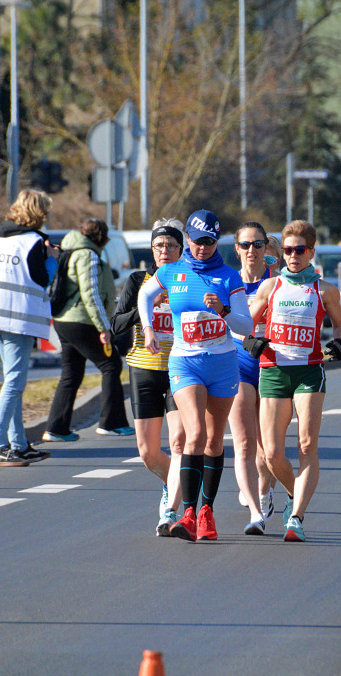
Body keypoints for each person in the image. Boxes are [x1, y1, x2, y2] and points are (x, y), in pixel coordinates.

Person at [138, 209, 253, 542]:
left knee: (215, 440)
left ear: (217, 241)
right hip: (185, 362)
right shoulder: (172, 271)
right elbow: (145, 295)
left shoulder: (230, 277)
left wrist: (223, 310)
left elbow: (246, 327)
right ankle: (187, 513)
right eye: (197, 241)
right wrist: (148, 329)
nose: (202, 247)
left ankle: (207, 511)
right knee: (195, 433)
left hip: (222, 363)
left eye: (209, 242)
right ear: (186, 238)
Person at [247, 220, 341, 542]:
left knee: (306, 444)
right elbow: (244, 325)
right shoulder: (270, 287)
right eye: (288, 250)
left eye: (299, 250)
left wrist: (339, 343)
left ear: (311, 252)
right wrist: (253, 341)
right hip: (273, 370)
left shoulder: (325, 289)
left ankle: (296, 517)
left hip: (308, 371)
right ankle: (295, 492)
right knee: (272, 454)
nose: (292, 256)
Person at [0, 189, 58, 466]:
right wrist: (53, 258)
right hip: (17, 318)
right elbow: (42, 279)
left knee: (13, 382)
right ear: (39, 213)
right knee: (14, 382)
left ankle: (18, 444)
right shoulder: (33, 242)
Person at [112, 219, 188, 536]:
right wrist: (146, 308)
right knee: (148, 452)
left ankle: (170, 509)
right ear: (152, 250)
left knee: (180, 442)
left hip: (182, 368)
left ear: (181, 250)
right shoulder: (138, 281)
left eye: (171, 246)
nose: (165, 251)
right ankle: (178, 481)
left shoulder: (188, 280)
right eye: (159, 246)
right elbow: (117, 325)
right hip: (143, 368)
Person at [43, 218, 133, 445]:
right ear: (101, 238)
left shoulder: (70, 250)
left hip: (64, 319)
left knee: (71, 374)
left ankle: (56, 428)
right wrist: (104, 328)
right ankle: (111, 423)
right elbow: (90, 294)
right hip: (81, 321)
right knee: (111, 364)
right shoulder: (88, 255)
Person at [229, 221, 276, 534]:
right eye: (245, 245)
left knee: (268, 448)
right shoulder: (227, 281)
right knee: (244, 442)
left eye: (257, 245)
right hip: (237, 365)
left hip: (274, 366)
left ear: (266, 249)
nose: (251, 251)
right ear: (237, 249)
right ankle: (256, 515)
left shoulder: (279, 282)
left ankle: (263, 490)